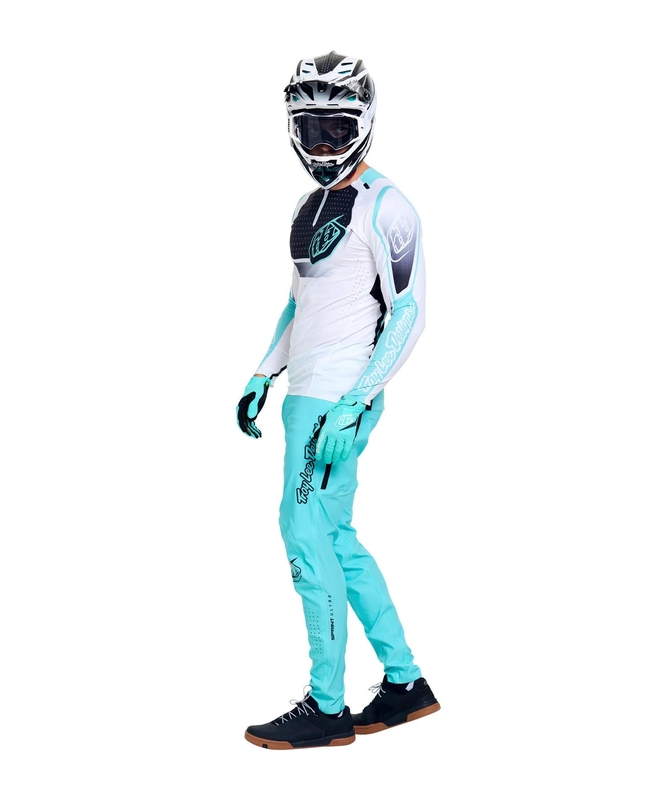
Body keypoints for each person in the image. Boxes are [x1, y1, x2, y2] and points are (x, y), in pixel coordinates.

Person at [237, 51, 439, 750]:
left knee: (302, 534)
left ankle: (327, 706)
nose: (324, 144)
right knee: (335, 538)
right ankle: (405, 684)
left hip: (334, 402)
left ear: (364, 123)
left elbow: (410, 312)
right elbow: (302, 304)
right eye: (311, 128)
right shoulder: (309, 207)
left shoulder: (388, 206)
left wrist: (357, 400)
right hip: (307, 395)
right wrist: (263, 374)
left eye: (337, 128)